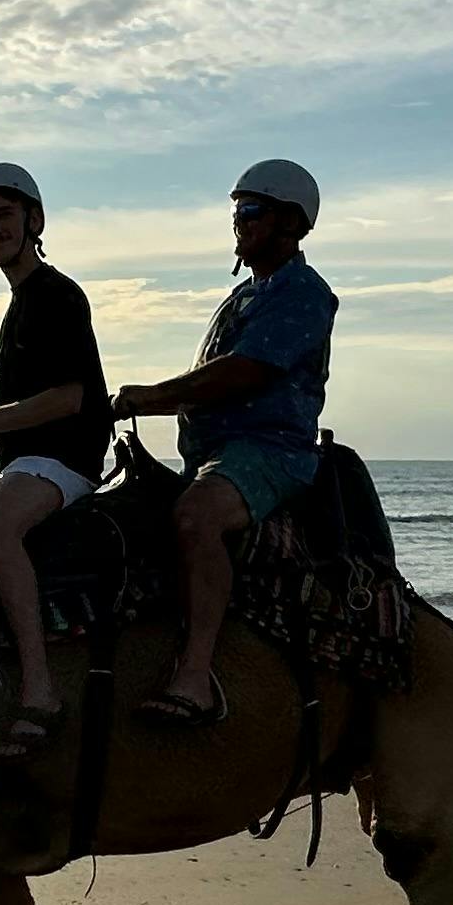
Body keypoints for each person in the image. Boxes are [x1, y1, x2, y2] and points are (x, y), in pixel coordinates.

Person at [106, 159, 334, 725]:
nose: (239, 223)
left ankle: (196, 675)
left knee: (195, 518)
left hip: (268, 452)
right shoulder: (240, 299)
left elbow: (243, 372)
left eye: (251, 212)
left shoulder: (304, 293)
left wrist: (148, 397)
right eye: (236, 213)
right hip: (211, 455)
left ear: (291, 223)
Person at [0, 162, 109, 759]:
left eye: (3, 215)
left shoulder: (56, 296)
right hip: (29, 460)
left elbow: (70, 398)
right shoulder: (21, 303)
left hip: (63, 457)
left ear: (33, 220)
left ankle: (39, 689)